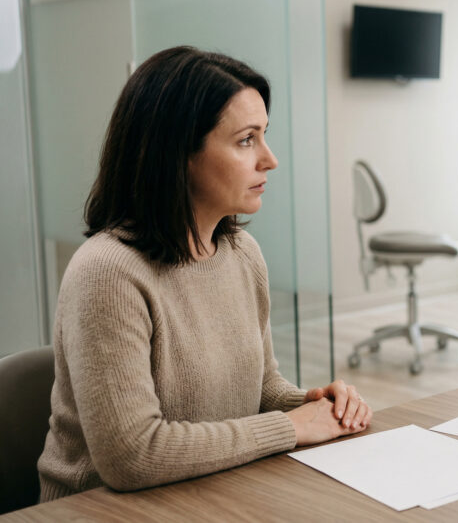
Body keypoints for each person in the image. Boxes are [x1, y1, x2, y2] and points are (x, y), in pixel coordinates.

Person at [37, 46, 372, 501]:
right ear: (179, 154)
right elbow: (132, 456)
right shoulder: (106, 273)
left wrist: (317, 406)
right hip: (100, 511)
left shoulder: (242, 253)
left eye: (264, 136)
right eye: (246, 140)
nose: (269, 159)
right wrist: (290, 427)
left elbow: (262, 387)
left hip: (207, 494)